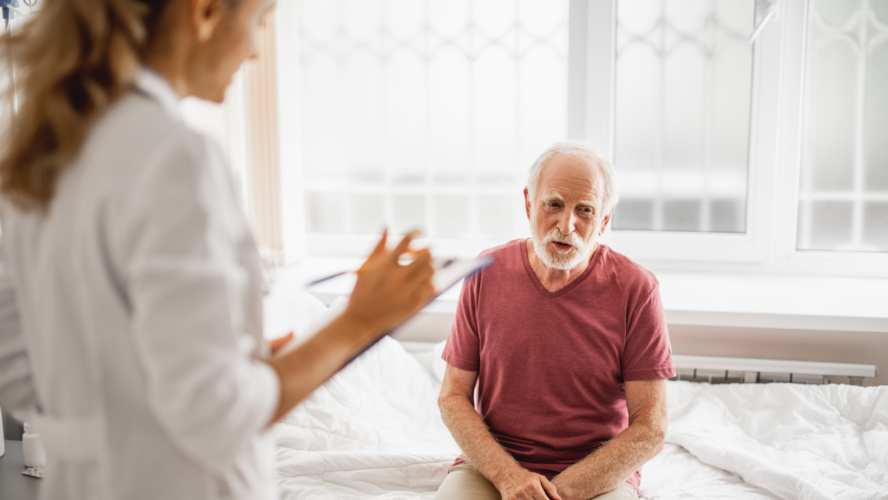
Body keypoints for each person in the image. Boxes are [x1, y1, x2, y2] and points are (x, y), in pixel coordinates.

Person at [0, 1, 435, 499]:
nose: (254, 52)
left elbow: (16, 370)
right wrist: (359, 322)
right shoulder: (174, 157)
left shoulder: (41, 151)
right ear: (204, 11)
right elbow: (217, 415)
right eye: (259, 22)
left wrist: (213, 354)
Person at [435, 141, 675, 500]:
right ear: (529, 203)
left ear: (604, 220)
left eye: (585, 210)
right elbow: (453, 396)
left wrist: (558, 493)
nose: (567, 224)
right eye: (554, 204)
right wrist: (509, 477)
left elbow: (651, 428)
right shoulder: (484, 273)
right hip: (494, 467)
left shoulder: (636, 289)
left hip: (596, 475)